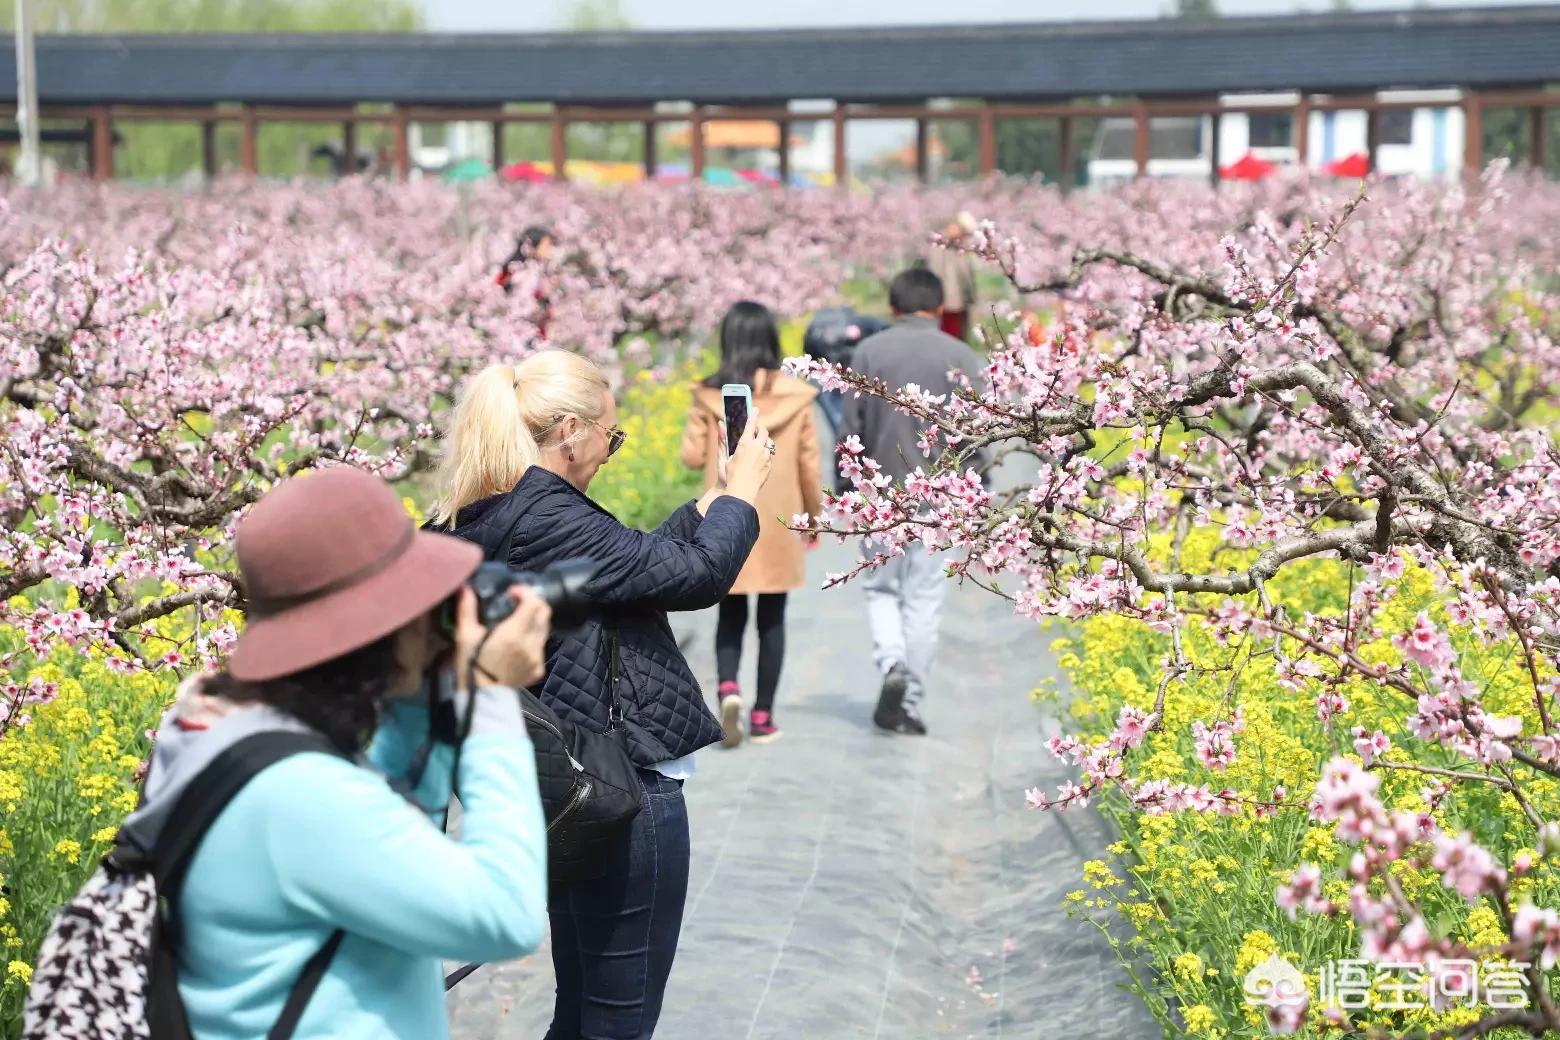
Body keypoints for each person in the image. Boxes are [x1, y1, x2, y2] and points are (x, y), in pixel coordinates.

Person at [119, 466, 553, 1039]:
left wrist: (417, 698)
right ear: (369, 631)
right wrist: (489, 696)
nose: (429, 618)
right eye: (414, 603)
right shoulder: (298, 793)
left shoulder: (220, 726)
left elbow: (397, 833)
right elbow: (504, 916)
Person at [431, 349, 774, 1040]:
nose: (610, 453)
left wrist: (711, 500)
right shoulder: (546, 513)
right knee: (616, 1021)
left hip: (564, 786)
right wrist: (744, 494)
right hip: (621, 789)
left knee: (581, 1007)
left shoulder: (488, 508)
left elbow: (631, 565)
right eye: (610, 437)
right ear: (570, 430)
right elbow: (699, 578)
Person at [837, 268, 988, 737]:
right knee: (925, 598)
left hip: (880, 497)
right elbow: (979, 433)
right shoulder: (964, 356)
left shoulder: (868, 351)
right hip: (944, 497)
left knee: (881, 589)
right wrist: (980, 486)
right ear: (940, 309)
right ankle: (911, 702)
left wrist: (844, 494)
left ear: (893, 308)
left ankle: (892, 665)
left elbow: (849, 432)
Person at [681, 301, 823, 746]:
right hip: (778, 521)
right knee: (773, 618)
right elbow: (809, 466)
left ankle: (728, 689)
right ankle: (763, 717)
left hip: (728, 515)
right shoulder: (795, 397)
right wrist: (814, 519)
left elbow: (689, 457)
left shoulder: (709, 395)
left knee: (731, 611)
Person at [926, 212, 979, 342]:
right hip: (946, 303)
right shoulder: (941, 246)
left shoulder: (959, 249)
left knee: (959, 337)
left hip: (960, 303)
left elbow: (966, 277)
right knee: (948, 338)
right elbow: (935, 271)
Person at [496, 225, 557, 337]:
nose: (549, 250)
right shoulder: (519, 270)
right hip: (516, 325)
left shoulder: (539, 270)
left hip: (532, 325)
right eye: (546, 246)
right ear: (532, 246)